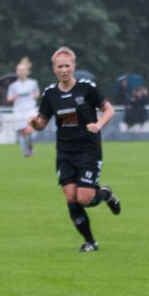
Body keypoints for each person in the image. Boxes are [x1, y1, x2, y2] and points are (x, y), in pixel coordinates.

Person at [24, 47, 122, 252]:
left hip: (88, 149)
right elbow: (42, 122)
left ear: (73, 67)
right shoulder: (50, 93)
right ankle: (90, 242)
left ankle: (105, 194)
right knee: (71, 197)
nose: (64, 70)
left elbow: (109, 110)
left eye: (67, 66)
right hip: (65, 152)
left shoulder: (87, 88)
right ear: (54, 69)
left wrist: (99, 125)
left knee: (85, 198)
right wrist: (34, 123)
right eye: (60, 67)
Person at [6, 57, 40, 157]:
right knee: (22, 132)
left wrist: (36, 95)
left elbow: (37, 93)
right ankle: (26, 151)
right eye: (19, 70)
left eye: (22, 70)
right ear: (16, 72)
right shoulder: (13, 86)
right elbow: (9, 98)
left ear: (27, 72)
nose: (21, 72)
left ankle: (29, 147)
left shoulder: (33, 83)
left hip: (30, 109)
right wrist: (14, 97)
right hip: (18, 110)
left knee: (29, 129)